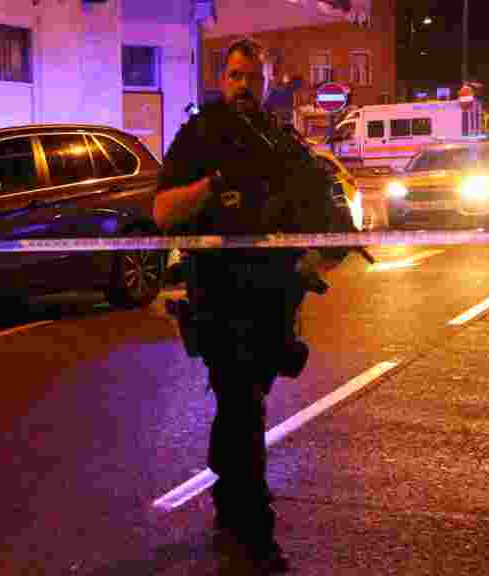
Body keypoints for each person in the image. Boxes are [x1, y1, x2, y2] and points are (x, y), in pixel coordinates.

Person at [154, 40, 352, 573]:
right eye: (236, 75)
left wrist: (316, 255)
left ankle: (228, 497)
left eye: (253, 78)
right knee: (242, 406)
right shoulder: (200, 136)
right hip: (221, 299)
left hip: (272, 302)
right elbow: (163, 211)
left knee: (243, 405)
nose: (244, 85)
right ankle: (255, 533)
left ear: (266, 83)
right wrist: (213, 184)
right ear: (223, 78)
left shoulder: (280, 141)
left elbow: (324, 213)